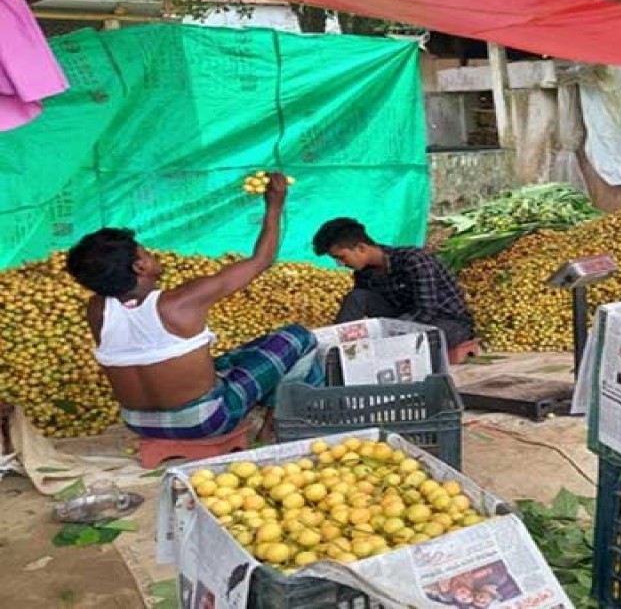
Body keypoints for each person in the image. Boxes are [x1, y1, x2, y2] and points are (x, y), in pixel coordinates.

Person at [66, 173, 324, 440]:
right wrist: (275, 205)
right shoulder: (179, 302)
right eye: (145, 252)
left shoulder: (97, 311)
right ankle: (279, 423)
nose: (153, 254)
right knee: (298, 337)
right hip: (202, 421)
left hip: (138, 422)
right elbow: (262, 260)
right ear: (139, 266)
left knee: (238, 356)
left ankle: (277, 415)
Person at [311, 217, 475, 346]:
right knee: (358, 297)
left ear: (361, 247)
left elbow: (426, 312)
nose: (340, 264)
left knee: (415, 341)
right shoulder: (364, 274)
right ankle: (336, 345)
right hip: (402, 321)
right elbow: (370, 310)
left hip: (447, 322)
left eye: (341, 257)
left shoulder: (414, 260)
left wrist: (386, 333)